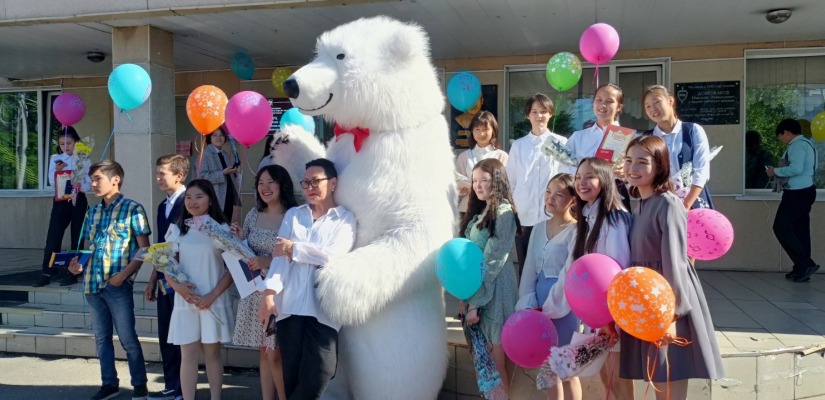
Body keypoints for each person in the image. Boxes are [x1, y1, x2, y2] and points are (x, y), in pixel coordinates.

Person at [621, 135, 724, 399]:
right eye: (629, 160)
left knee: (670, 373)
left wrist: (671, 315)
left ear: (660, 166)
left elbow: (675, 261)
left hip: (668, 300)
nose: (633, 168)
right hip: (649, 299)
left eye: (642, 162)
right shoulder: (640, 204)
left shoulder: (668, 203)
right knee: (658, 374)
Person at [258, 158, 356, 399]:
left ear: (332, 183)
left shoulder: (344, 218)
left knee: (321, 370)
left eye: (316, 181)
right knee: (291, 376)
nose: (310, 187)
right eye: (305, 183)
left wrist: (295, 249)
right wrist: (269, 294)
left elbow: (334, 256)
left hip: (323, 311)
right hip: (289, 307)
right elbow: (279, 257)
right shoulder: (294, 215)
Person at [67, 160, 151, 400]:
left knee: (128, 339)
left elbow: (145, 249)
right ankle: (109, 384)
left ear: (115, 179)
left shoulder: (133, 209)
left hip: (117, 286)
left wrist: (123, 276)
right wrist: (76, 266)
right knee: (102, 338)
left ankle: (139, 385)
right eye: (92, 179)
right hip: (92, 285)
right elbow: (85, 250)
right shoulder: (91, 213)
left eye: (98, 179)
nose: (93, 184)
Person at [230, 165, 298, 400]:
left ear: (282, 184)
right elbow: (245, 251)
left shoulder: (295, 215)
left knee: (275, 353)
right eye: (260, 183)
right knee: (264, 351)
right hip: (255, 293)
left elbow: (296, 256)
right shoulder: (252, 215)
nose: (265, 188)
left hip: (280, 294)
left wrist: (266, 260)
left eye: (270, 182)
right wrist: (238, 240)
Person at [568, 157, 633, 400]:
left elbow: (617, 271)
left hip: (613, 315)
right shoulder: (589, 215)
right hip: (599, 315)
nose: (582, 183)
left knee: (618, 378)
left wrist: (609, 320)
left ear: (605, 180)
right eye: (578, 177)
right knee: (605, 376)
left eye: (589, 177)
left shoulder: (613, 219)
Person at [165, 179, 235, 400]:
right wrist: (179, 288)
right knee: (188, 355)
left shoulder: (220, 229)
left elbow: (232, 269)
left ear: (210, 199)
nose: (192, 202)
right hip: (186, 301)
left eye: (199, 197)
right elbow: (165, 264)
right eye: (188, 197)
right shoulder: (177, 229)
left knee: (213, 353)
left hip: (212, 300)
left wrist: (211, 296)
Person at [516, 173, 579, 400]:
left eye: (559, 194)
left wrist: (552, 305)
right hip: (538, 306)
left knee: (567, 368)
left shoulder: (577, 230)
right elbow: (529, 269)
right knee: (548, 367)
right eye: (548, 192)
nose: (550, 198)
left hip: (564, 304)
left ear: (573, 200)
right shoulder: (538, 227)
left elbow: (570, 272)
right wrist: (528, 303)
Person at [460, 158, 520, 393]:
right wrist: (467, 298)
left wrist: (475, 301)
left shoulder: (504, 213)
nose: (478, 186)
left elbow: (492, 260)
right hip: (477, 290)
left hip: (495, 291)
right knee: (482, 361)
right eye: (474, 180)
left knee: (495, 362)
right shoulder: (481, 210)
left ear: (498, 181)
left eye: (484, 180)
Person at [507, 93, 567, 277]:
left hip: (552, 212)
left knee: (553, 262)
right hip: (524, 214)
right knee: (526, 264)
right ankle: (525, 303)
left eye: (543, 111)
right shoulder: (518, 145)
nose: (539, 116)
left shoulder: (560, 143)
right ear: (528, 115)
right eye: (534, 111)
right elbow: (511, 180)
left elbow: (567, 176)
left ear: (551, 114)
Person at [145, 154, 187, 400]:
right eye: (157, 173)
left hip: (183, 278)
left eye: (163, 173)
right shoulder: (163, 206)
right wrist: (152, 278)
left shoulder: (189, 201)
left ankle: (183, 387)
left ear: (179, 176)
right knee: (166, 332)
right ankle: (172, 384)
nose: (158, 178)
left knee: (183, 334)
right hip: (164, 278)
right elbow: (161, 246)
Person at [641, 85, 713, 210]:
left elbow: (701, 172)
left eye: (657, 102)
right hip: (660, 205)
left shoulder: (692, 130)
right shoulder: (646, 138)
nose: (653, 109)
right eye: (647, 106)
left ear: (670, 101)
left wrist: (686, 205)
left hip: (694, 204)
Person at [35, 126, 91, 287]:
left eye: (69, 143)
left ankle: (73, 272)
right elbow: (52, 182)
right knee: (53, 236)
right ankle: (47, 271)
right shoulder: (55, 159)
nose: (65, 147)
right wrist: (59, 173)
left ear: (76, 142)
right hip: (60, 201)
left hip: (79, 200)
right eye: (62, 144)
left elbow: (89, 185)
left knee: (77, 236)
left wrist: (79, 183)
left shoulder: (84, 159)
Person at [766, 119, 820, 282]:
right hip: (807, 190)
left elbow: (796, 168)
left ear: (787, 132)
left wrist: (775, 171)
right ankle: (801, 269)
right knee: (800, 230)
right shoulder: (808, 145)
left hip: (796, 193)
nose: (781, 139)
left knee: (781, 227)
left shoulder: (797, 145)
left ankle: (805, 264)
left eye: (780, 136)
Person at [564, 83, 632, 210]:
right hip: (584, 197)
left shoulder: (630, 138)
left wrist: (627, 173)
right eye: (598, 100)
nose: (603, 105)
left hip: (616, 197)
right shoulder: (578, 137)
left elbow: (639, 173)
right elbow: (564, 169)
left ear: (619, 107)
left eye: (609, 101)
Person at [455, 111, 509, 216]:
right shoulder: (464, 157)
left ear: (493, 130)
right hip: (467, 210)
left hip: (493, 210)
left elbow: (504, 185)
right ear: (472, 131)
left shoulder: (502, 156)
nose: (481, 134)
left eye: (485, 129)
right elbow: (456, 183)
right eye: (477, 129)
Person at [199, 127, 240, 221]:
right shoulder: (206, 154)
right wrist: (222, 173)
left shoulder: (224, 154)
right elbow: (202, 177)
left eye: (221, 135)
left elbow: (228, 173)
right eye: (215, 135)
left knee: (226, 225)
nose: (219, 138)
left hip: (228, 195)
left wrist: (235, 172)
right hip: (216, 198)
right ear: (210, 138)